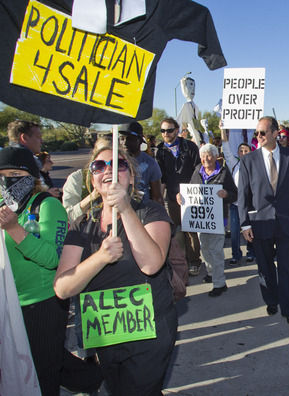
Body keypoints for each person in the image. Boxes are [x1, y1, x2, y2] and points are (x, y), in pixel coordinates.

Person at [54, 144, 177, 396]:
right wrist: (100, 257)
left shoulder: (150, 212)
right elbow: (63, 288)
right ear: (92, 178)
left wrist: (125, 209)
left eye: (118, 164)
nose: (108, 170)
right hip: (106, 336)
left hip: (150, 332)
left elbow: (152, 264)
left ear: (130, 176)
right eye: (99, 166)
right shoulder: (83, 225)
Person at [0, 146, 69, 396]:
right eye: (3, 173)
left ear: (31, 176)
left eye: (15, 173)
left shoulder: (47, 205)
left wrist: (14, 230)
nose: (8, 179)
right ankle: (92, 378)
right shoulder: (1, 206)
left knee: (43, 371)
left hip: (41, 304)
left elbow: (52, 258)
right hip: (7, 303)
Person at [238, 116, 289, 325]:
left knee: (288, 268)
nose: (258, 137)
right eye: (256, 133)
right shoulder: (248, 160)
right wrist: (245, 224)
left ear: (275, 133)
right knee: (265, 267)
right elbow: (244, 194)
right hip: (260, 223)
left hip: (287, 222)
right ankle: (271, 300)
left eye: (262, 133)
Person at [178, 143, 237, 296]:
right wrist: (181, 197)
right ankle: (211, 273)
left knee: (216, 250)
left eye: (209, 155)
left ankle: (220, 283)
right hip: (202, 219)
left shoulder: (223, 173)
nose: (206, 159)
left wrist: (226, 194)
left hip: (218, 219)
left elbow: (234, 194)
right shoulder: (197, 170)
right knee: (205, 248)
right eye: (203, 156)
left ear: (216, 156)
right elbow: (191, 188)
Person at [156, 117, 202, 276]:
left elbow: (198, 169)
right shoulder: (160, 150)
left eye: (169, 130)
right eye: (163, 131)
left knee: (191, 230)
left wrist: (189, 189)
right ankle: (180, 262)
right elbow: (161, 176)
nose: (165, 134)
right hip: (171, 196)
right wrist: (160, 197)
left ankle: (195, 261)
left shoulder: (189, 146)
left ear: (176, 130)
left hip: (190, 195)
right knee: (175, 231)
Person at [220, 127, 255, 265]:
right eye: (241, 151)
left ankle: (251, 252)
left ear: (251, 152)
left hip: (251, 204)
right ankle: (236, 254)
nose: (243, 153)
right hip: (235, 205)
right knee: (234, 232)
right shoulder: (234, 164)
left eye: (246, 150)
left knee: (251, 230)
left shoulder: (255, 165)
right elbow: (225, 147)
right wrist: (222, 130)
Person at [120, 122, 163, 205]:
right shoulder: (113, 162)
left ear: (140, 141)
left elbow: (157, 197)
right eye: (122, 138)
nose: (125, 143)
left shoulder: (150, 163)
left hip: (142, 213)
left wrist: (160, 216)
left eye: (130, 139)